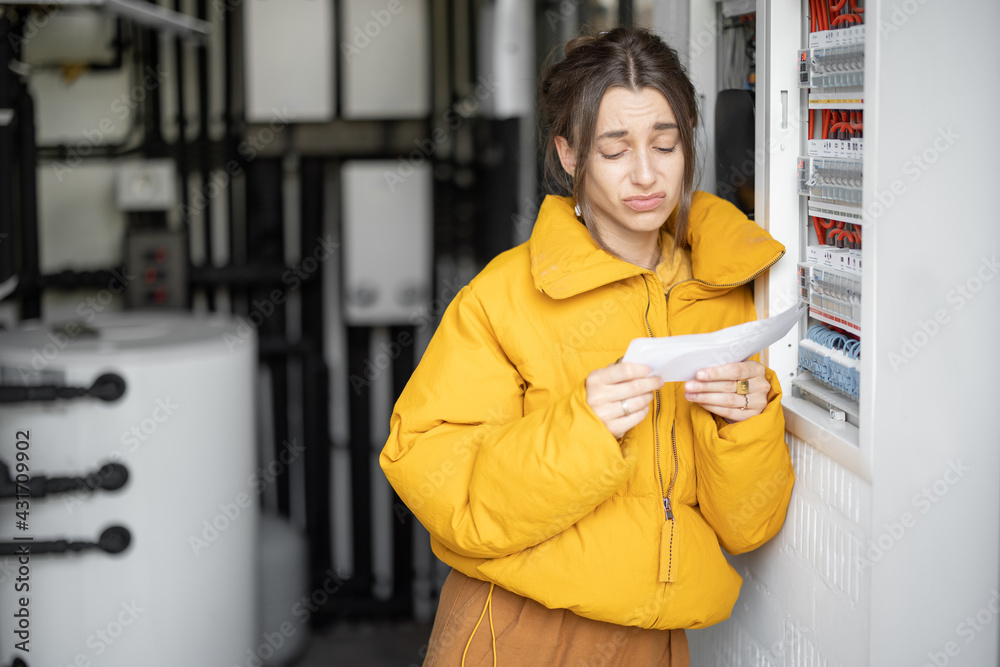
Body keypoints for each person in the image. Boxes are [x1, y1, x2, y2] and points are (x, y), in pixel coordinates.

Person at [381, 27, 794, 667]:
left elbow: (749, 529)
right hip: (517, 634)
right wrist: (582, 429)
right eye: (613, 151)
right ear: (569, 155)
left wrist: (745, 428)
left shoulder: (725, 292)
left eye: (666, 144)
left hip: (656, 645)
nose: (647, 174)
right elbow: (440, 484)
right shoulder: (504, 296)